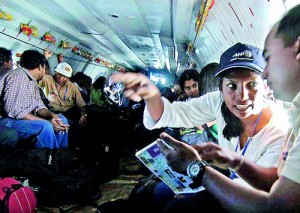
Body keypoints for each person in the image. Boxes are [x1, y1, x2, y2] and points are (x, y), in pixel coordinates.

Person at [111, 41, 291, 213]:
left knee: (177, 208)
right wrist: (151, 96)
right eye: (231, 85)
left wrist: (197, 173)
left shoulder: (280, 132)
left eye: (252, 84)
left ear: (266, 86)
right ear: (220, 88)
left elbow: (258, 197)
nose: (242, 96)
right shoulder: (219, 102)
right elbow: (173, 113)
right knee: (160, 194)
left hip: (248, 199)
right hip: (229, 179)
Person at [0, 49, 69, 149]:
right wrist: (48, 122)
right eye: (45, 68)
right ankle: (50, 159)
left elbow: (39, 106)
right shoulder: (18, 76)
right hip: (6, 120)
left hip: (18, 119)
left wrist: (53, 116)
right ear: (40, 67)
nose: (45, 72)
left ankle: (61, 155)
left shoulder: (32, 81)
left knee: (61, 119)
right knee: (45, 126)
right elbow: (14, 110)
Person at [0, 47, 18, 148]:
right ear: (6, 63)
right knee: (10, 134)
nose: (12, 65)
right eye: (11, 61)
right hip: (4, 118)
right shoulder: (9, 79)